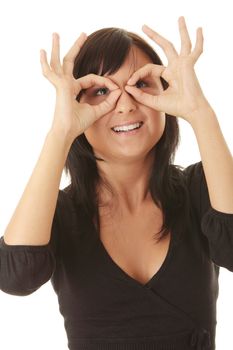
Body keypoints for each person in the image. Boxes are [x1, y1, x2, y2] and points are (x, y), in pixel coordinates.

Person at [0, 16, 232, 350]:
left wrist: (200, 112)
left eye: (141, 85)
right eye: (101, 92)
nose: (125, 104)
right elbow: (15, 278)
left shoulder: (202, 186)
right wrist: (61, 132)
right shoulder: (60, 212)